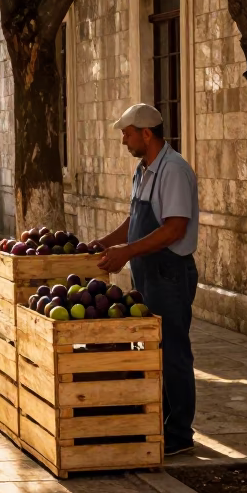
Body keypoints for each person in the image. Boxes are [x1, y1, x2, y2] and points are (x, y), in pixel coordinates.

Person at [94, 103, 200, 457]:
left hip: (169, 272)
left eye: (126, 134)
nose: (123, 141)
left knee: (173, 351)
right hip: (146, 273)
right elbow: (134, 221)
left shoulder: (174, 170)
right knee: (152, 351)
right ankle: (161, 420)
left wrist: (127, 251)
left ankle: (181, 432)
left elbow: (174, 228)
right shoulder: (143, 170)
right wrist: (106, 243)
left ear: (147, 133)